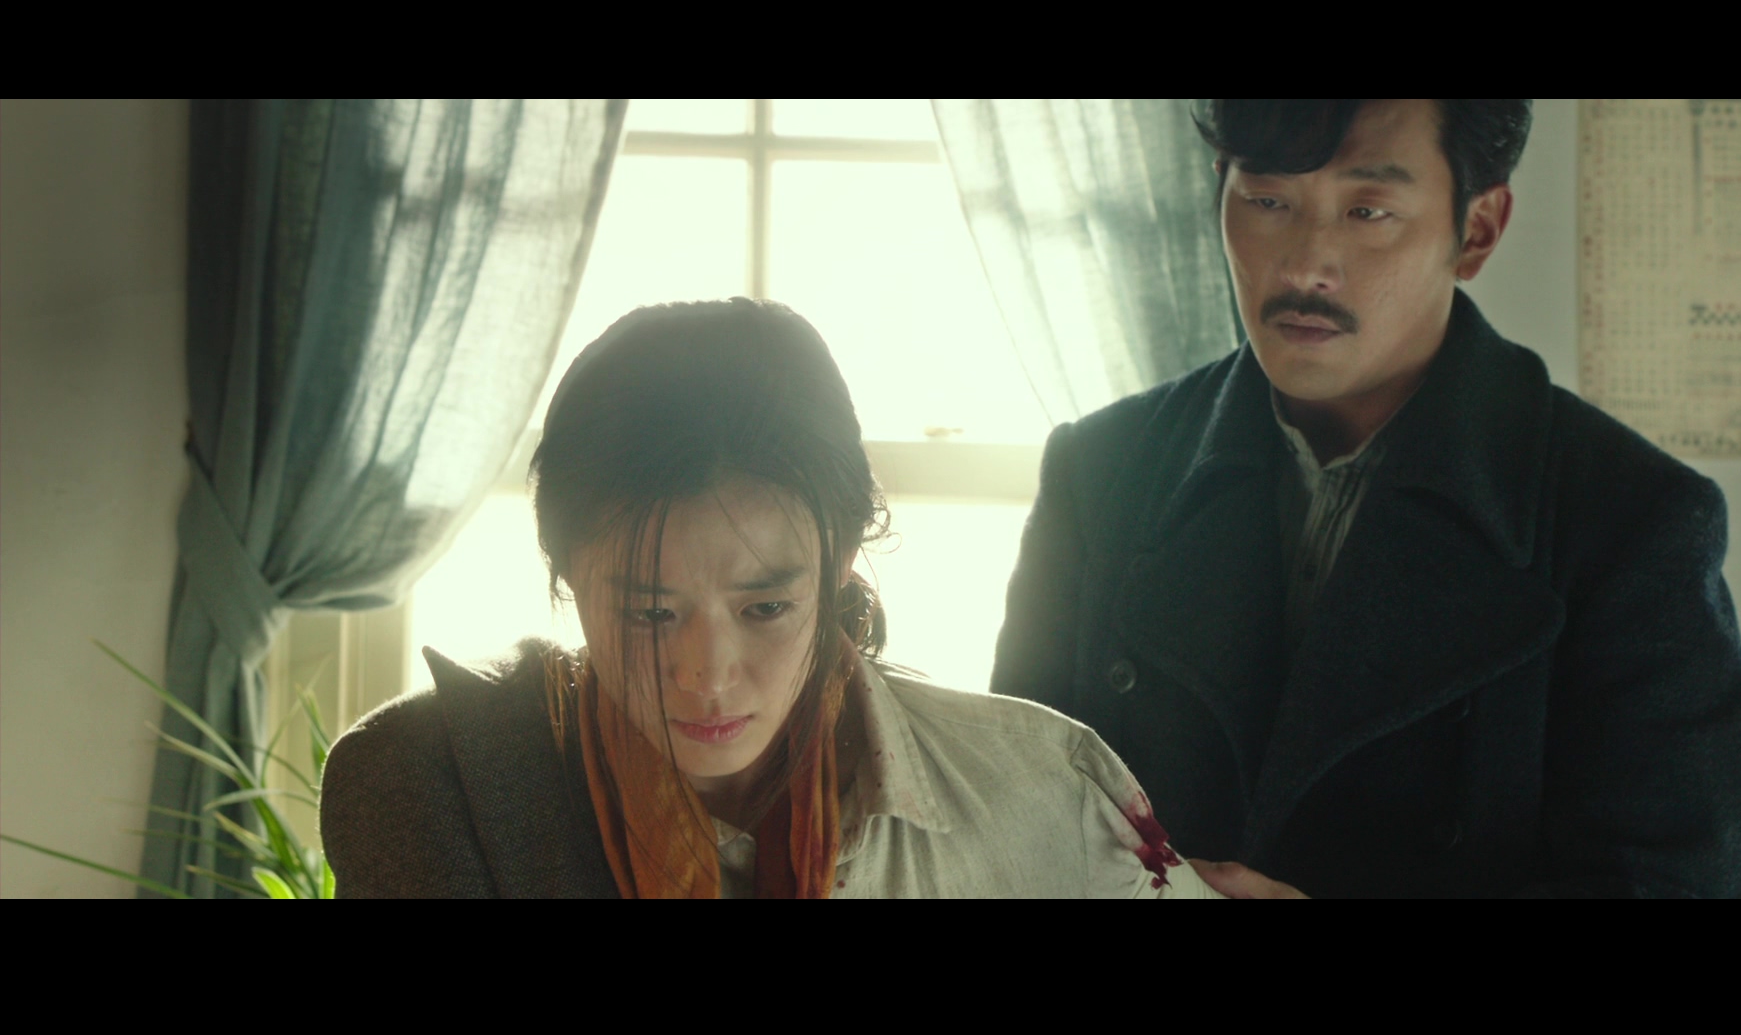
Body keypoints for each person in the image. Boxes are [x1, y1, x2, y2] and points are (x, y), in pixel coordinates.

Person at [990, 99, 1741, 898]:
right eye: (1267, 200)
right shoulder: (1102, 470)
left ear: (1477, 230)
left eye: (1368, 211)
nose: (1305, 267)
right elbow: (1003, 834)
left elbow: (1681, 884)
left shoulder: (1628, 519)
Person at [320, 298, 1222, 898]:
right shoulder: (435, 785)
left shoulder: (1037, 794)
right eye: (649, 613)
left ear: (840, 564)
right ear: (564, 573)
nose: (707, 675)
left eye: (765, 609)